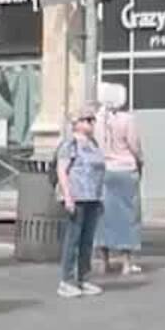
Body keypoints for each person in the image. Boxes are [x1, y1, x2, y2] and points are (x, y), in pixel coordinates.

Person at [56, 104, 106, 298]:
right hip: (77, 197)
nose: (91, 123)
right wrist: (68, 196)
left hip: (93, 197)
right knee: (73, 239)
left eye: (92, 120)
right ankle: (66, 280)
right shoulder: (70, 144)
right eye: (87, 120)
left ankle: (83, 277)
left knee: (87, 240)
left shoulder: (93, 144)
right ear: (76, 123)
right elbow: (62, 171)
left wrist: (100, 197)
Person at [95, 82, 145, 275]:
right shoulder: (127, 119)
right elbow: (134, 145)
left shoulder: (97, 119)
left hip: (103, 170)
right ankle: (126, 262)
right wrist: (140, 161)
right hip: (125, 169)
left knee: (103, 216)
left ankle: (104, 261)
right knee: (128, 216)